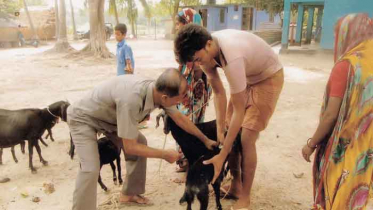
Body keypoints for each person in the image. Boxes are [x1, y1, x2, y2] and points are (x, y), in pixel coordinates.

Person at [67, 68, 218, 210]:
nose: (182, 101)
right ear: (165, 98)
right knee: (90, 168)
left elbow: (179, 118)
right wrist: (164, 154)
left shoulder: (160, 90)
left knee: (141, 142)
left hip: (111, 119)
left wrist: (204, 139)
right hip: (84, 118)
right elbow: (130, 147)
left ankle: (129, 193)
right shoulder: (132, 99)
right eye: (181, 98)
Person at [174, 24, 284, 210]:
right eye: (195, 61)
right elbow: (218, 91)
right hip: (248, 78)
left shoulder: (232, 56)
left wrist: (223, 154)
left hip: (268, 77)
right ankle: (235, 186)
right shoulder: (206, 52)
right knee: (227, 132)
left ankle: (245, 198)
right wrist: (219, 129)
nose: (199, 63)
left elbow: (239, 111)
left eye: (199, 59)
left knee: (247, 137)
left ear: (209, 45)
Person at [301, 13, 373, 210]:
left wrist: (311, 143)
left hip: (343, 151)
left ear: (347, 35)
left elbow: (331, 115)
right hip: (366, 149)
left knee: (335, 197)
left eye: (337, 35)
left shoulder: (346, 66)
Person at [174, 8, 211, 174]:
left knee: (189, 126)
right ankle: (186, 163)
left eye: (178, 24)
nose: (176, 27)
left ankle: (190, 167)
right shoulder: (190, 44)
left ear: (188, 23)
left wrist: (189, 92)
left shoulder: (196, 47)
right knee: (186, 124)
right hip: (188, 91)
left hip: (193, 92)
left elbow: (197, 73)